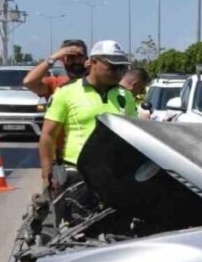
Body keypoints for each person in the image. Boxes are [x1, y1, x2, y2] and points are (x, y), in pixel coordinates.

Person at [39, 40, 136, 193]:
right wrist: (47, 173)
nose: (118, 72)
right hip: (77, 173)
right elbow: (48, 135)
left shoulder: (125, 95)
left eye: (122, 68)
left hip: (116, 173)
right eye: (112, 67)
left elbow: (133, 135)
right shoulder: (66, 92)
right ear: (93, 62)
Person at [23, 39, 88, 97]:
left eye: (80, 56)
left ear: (87, 59)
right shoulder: (55, 84)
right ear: (62, 61)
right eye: (70, 57)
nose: (76, 61)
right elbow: (29, 82)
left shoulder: (93, 82)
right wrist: (53, 58)